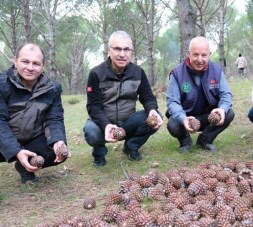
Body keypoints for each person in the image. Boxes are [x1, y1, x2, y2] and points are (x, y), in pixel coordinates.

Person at [83, 31, 163, 166]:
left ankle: (132, 145)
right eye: (117, 49)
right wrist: (106, 124)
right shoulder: (96, 73)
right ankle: (99, 153)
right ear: (109, 50)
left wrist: (152, 110)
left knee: (155, 118)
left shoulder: (138, 72)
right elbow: (93, 106)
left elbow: (148, 97)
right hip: (104, 122)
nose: (122, 54)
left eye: (126, 49)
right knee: (91, 131)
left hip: (128, 122)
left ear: (131, 51)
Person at [0, 43, 70, 184]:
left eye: (36, 63)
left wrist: (58, 141)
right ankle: (20, 157)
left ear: (43, 66)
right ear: (15, 60)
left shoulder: (53, 89)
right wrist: (16, 151)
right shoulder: (2, 84)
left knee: (57, 150)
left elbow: (54, 119)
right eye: (25, 61)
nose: (30, 68)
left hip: (31, 139)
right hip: (3, 141)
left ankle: (25, 168)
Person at [166, 36, 235, 153]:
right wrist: (183, 119)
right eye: (195, 54)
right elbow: (172, 102)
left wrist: (222, 109)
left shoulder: (217, 70)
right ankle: (185, 141)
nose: (199, 59)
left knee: (229, 113)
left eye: (204, 55)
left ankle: (205, 139)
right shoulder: (177, 73)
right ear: (189, 54)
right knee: (172, 124)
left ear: (209, 54)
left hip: (208, 116)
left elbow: (226, 94)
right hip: (186, 117)